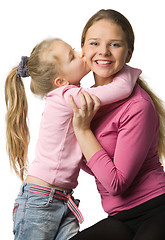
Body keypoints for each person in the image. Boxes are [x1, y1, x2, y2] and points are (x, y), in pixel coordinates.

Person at [5, 37, 140, 240]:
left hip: (61, 199)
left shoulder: (70, 96)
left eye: (75, 50)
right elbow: (121, 89)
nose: (81, 54)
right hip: (40, 200)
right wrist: (126, 68)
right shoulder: (67, 97)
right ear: (61, 81)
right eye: (72, 56)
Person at [69, 9, 165, 240]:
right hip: (119, 217)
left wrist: (82, 130)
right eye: (94, 43)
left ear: (128, 53)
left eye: (115, 44)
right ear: (83, 50)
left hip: (156, 210)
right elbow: (95, 166)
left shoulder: (138, 105)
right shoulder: (87, 102)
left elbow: (116, 183)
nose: (103, 51)